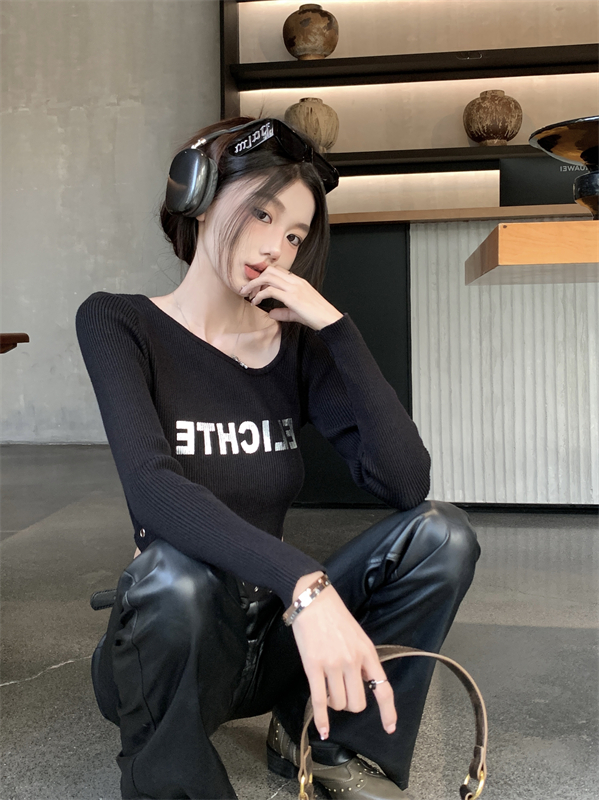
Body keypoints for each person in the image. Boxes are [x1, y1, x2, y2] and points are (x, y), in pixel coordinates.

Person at [76, 115, 481, 800]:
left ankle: (325, 741)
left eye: (295, 234)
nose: (276, 247)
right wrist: (304, 582)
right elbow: (151, 487)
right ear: (197, 197)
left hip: (278, 638)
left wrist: (337, 330)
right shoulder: (119, 322)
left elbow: (404, 483)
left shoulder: (297, 346)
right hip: (176, 639)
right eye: (262, 214)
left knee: (442, 535)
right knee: (174, 572)